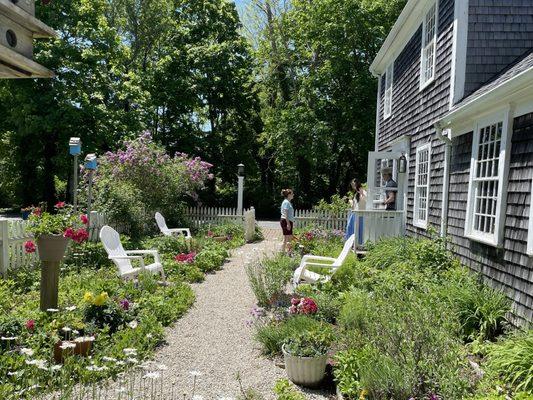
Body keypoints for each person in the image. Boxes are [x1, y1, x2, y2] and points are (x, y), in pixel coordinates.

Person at [345, 179, 367, 244]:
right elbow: (354, 206)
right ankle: (351, 244)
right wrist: (349, 200)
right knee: (350, 228)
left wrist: (362, 194)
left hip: (361, 215)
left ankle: (359, 244)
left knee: (359, 230)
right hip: (355, 214)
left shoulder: (363, 192)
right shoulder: (356, 194)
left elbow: (366, 200)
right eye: (352, 185)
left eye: (354, 185)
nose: (353, 186)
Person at [280, 189, 295, 253]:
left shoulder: (287, 202)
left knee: (286, 238)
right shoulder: (286, 202)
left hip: (286, 221)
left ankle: (283, 252)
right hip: (286, 221)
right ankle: (289, 253)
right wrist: (288, 224)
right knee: (289, 238)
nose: (293, 195)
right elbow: (285, 214)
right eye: (292, 194)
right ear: (289, 195)